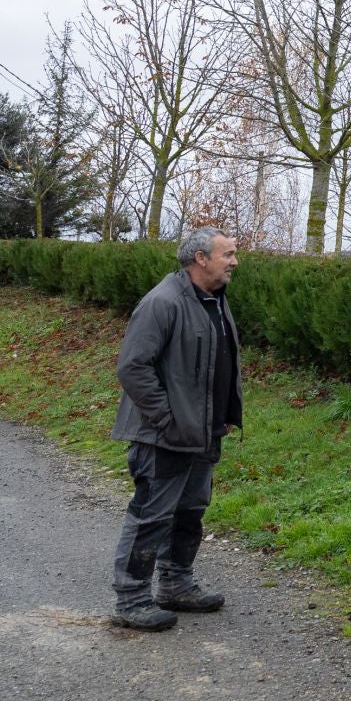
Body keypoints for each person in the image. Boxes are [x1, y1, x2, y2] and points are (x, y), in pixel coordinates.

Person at [109, 227, 242, 631]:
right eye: (228, 254)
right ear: (201, 259)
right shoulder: (163, 302)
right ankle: (130, 599)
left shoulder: (214, 300)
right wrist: (166, 418)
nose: (235, 261)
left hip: (204, 432)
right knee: (152, 515)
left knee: (190, 510)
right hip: (164, 435)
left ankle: (176, 584)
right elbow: (132, 367)